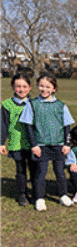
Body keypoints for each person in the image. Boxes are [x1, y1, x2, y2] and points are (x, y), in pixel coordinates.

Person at [19, 73, 75, 211]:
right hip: (41, 146)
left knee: (60, 172)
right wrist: (34, 145)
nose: (44, 89)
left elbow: (67, 126)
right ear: (37, 86)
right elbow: (28, 126)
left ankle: (63, 195)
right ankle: (39, 198)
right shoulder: (32, 104)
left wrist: (67, 144)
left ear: (54, 88)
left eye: (48, 87)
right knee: (40, 173)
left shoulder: (61, 105)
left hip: (58, 145)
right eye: (41, 86)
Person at [0, 73, 36, 206]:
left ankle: (36, 193)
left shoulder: (35, 103)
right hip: (16, 143)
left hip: (33, 144)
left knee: (34, 169)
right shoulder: (7, 104)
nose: (21, 89)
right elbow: (3, 124)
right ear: (12, 87)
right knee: (20, 169)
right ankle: (22, 194)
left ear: (30, 87)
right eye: (18, 86)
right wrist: (1, 142)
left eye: (25, 86)